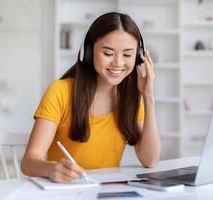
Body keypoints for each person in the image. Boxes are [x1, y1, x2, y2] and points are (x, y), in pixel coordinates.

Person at [21, 12, 160, 183]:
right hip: (66, 192)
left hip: (106, 191)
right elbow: (28, 163)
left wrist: (149, 98)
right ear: (87, 52)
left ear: (138, 57)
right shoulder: (60, 92)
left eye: (127, 55)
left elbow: (150, 160)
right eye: (108, 53)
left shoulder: (129, 99)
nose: (118, 63)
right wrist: (51, 169)